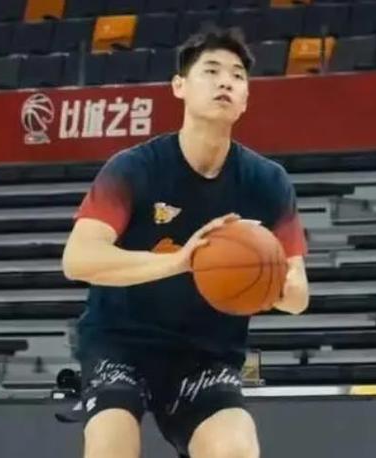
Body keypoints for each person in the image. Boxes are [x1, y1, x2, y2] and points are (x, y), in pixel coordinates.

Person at [60, 26, 310, 458]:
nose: (225, 81)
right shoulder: (134, 168)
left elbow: (298, 293)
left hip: (206, 353)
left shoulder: (268, 182)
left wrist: (267, 281)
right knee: (111, 442)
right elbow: (78, 259)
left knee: (235, 449)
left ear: (246, 98)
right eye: (211, 71)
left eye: (237, 75)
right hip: (120, 342)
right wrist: (182, 261)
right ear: (179, 86)